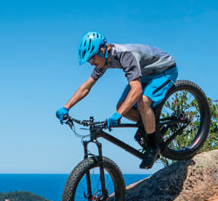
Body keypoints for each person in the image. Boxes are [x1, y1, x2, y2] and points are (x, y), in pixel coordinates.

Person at [56, 31, 177, 170]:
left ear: (102, 50)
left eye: (91, 59)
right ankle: (150, 126)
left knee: (142, 102)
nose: (91, 64)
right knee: (121, 106)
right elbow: (86, 87)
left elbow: (136, 89)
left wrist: (118, 115)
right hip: (146, 73)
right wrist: (66, 107)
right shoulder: (103, 61)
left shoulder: (125, 55)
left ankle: (152, 146)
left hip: (164, 70)